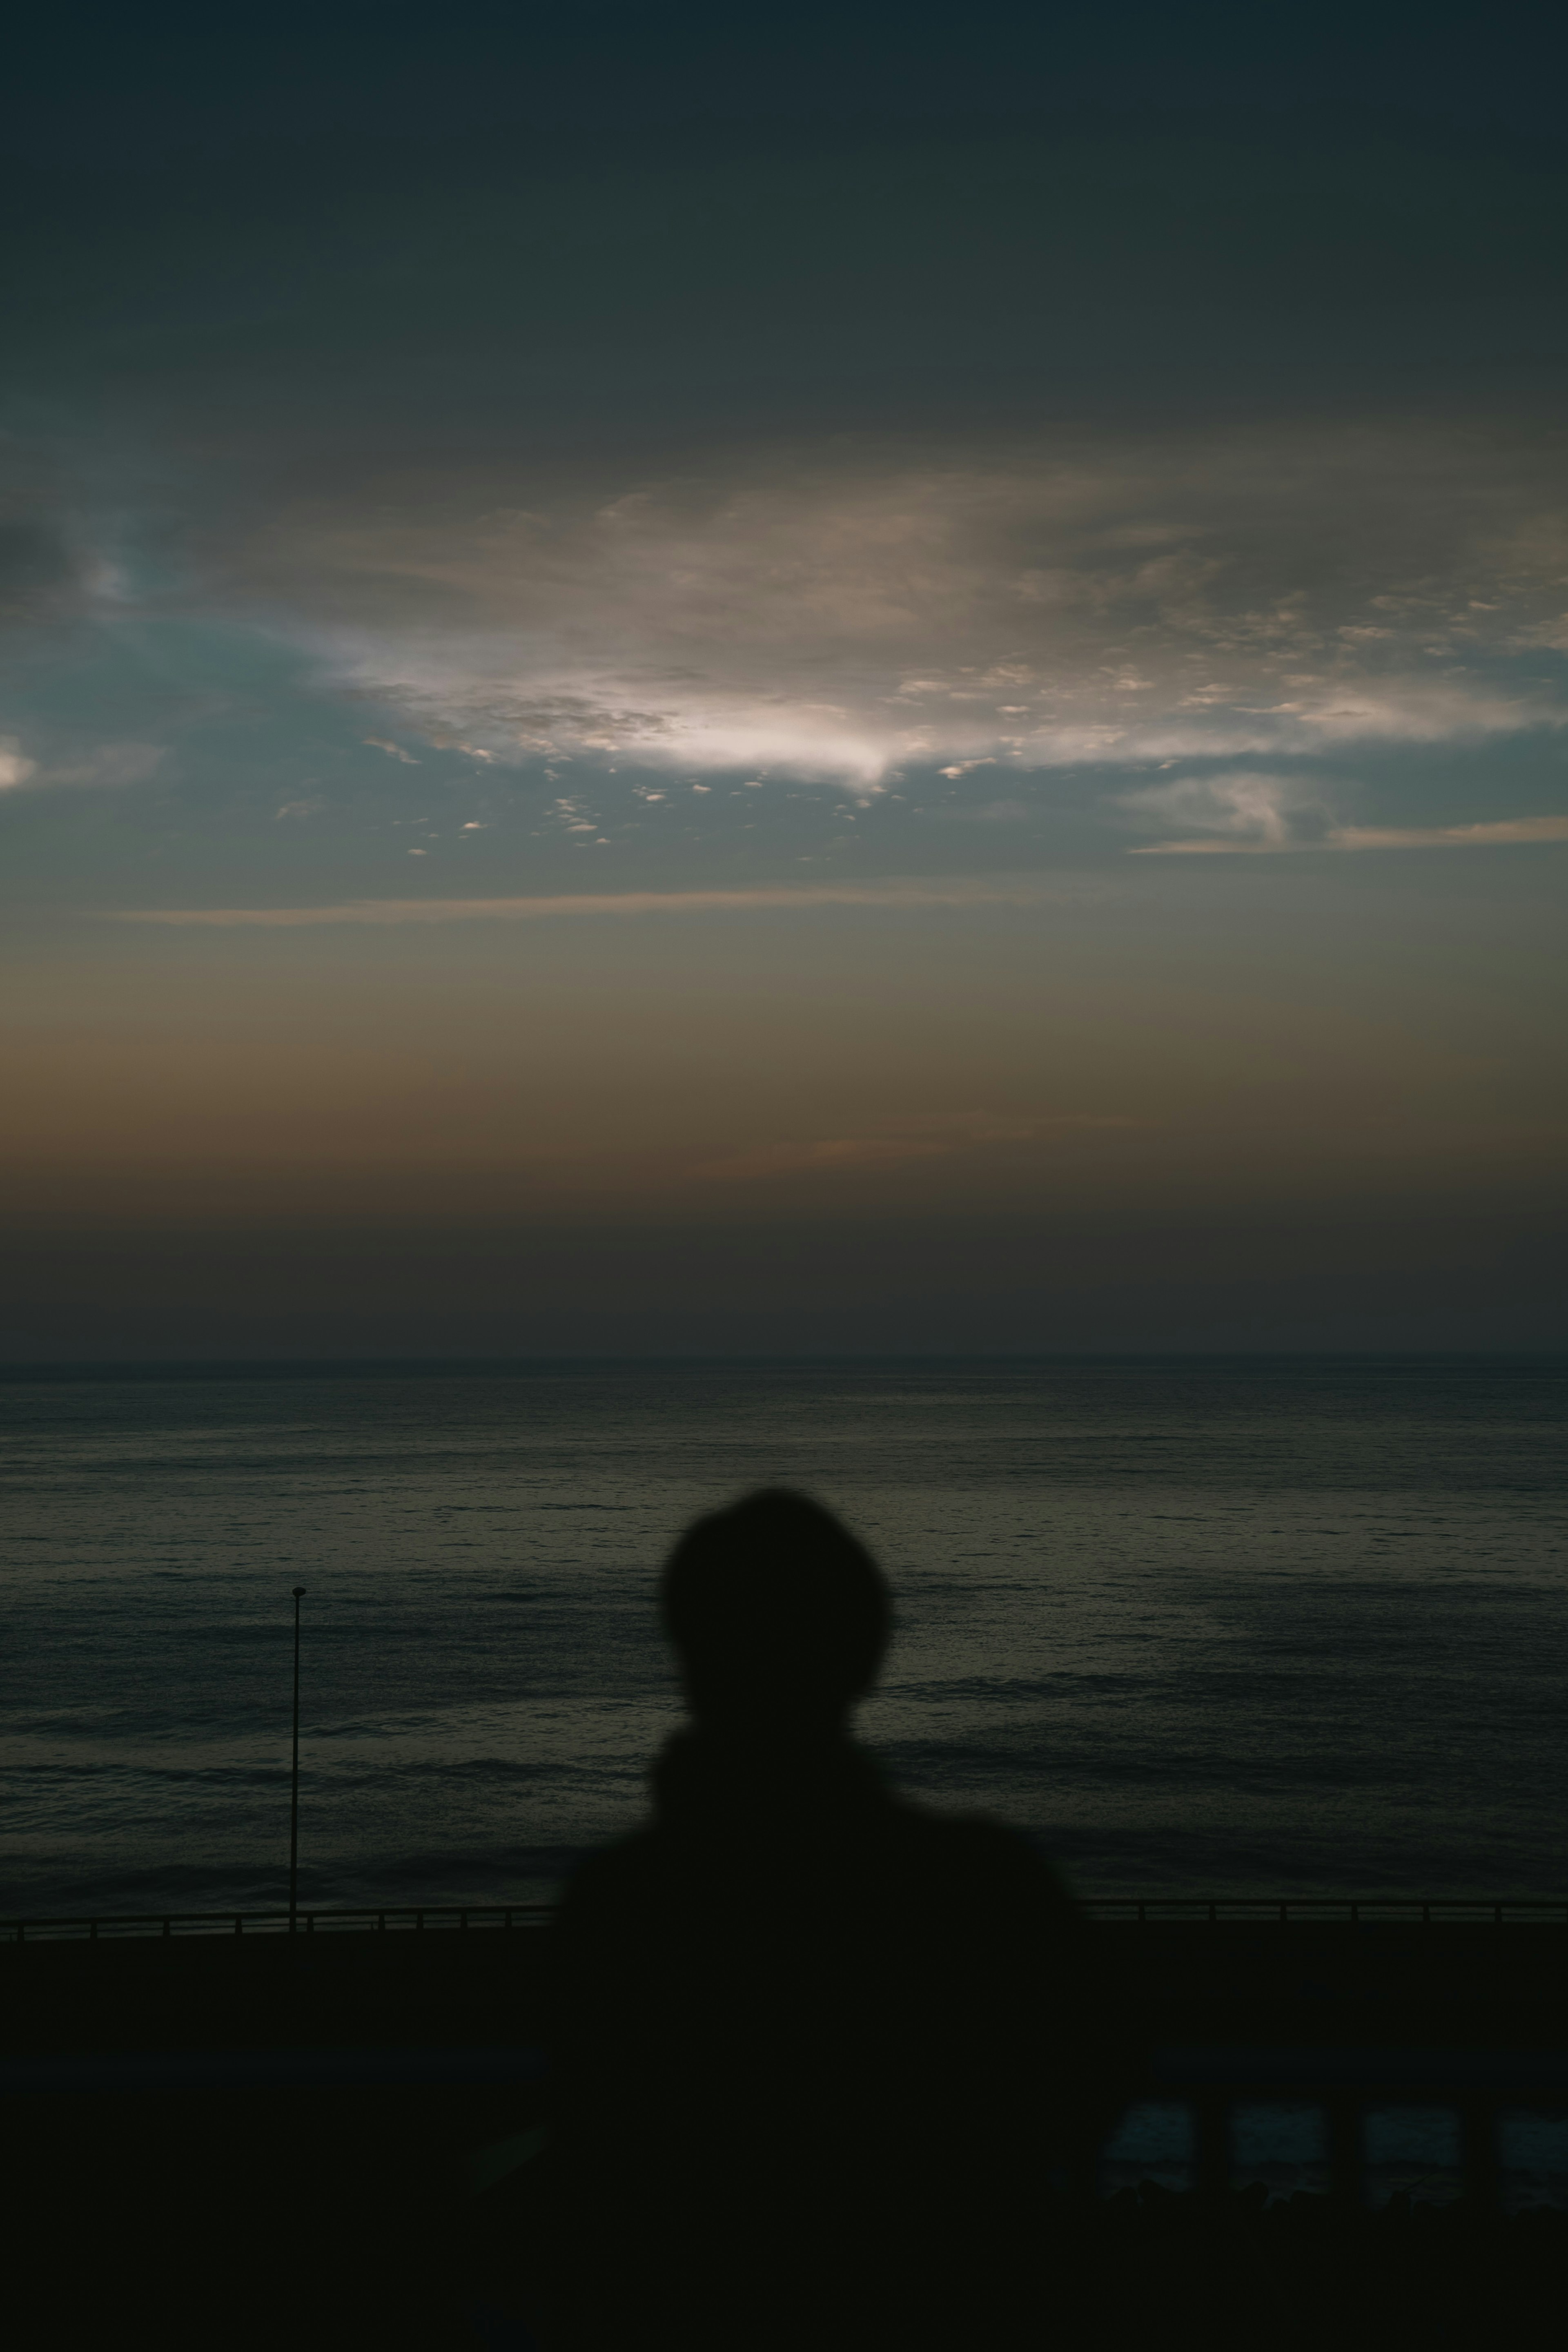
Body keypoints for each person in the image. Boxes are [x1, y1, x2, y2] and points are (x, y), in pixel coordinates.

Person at [536, 1489, 1136, 2350]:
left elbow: (598, 2155)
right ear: (866, 1655)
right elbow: (1096, 2067)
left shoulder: (618, 1906)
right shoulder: (975, 1885)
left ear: (692, 1661)